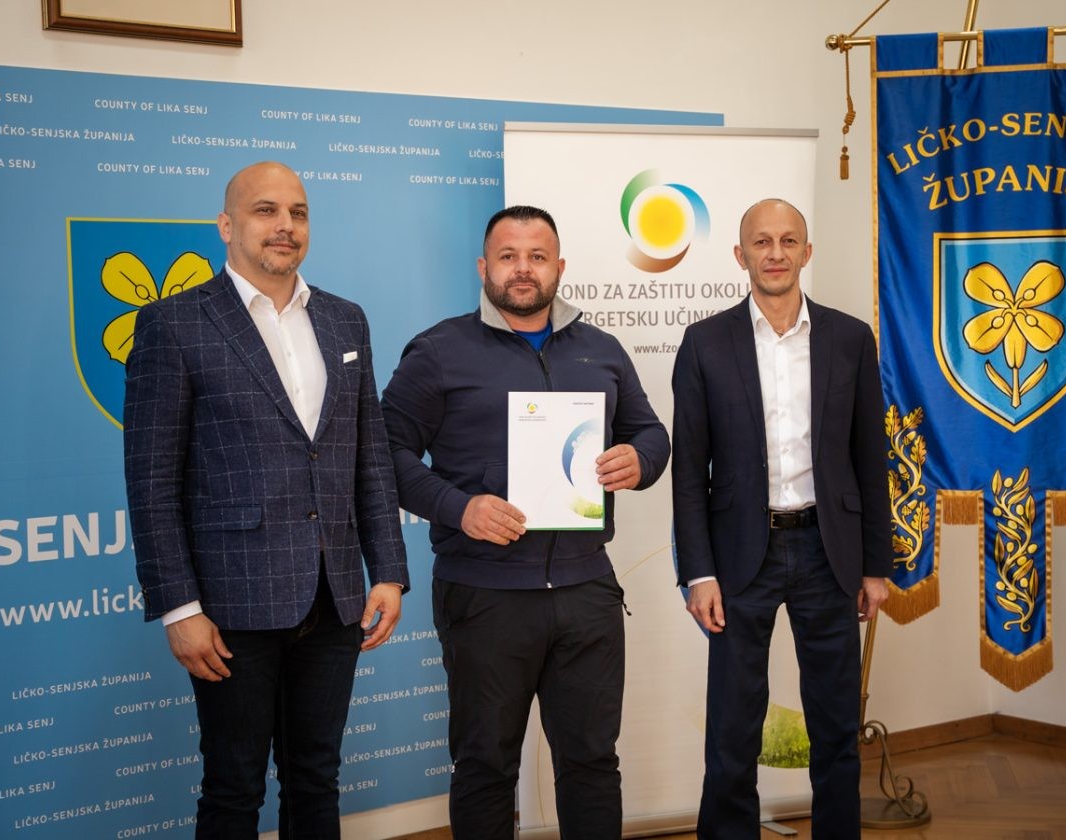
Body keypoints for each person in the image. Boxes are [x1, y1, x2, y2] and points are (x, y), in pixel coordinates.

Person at [123, 161, 409, 839]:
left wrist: (389, 570)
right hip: (231, 604)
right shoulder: (174, 324)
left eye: (298, 212)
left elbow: (369, 456)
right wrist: (180, 608)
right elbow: (152, 481)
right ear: (227, 226)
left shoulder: (345, 320)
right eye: (266, 210)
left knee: (317, 777)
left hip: (334, 596)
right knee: (234, 788)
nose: (285, 225)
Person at [381, 205, 669, 839]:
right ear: (483, 266)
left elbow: (651, 432)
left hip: (586, 591)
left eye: (537, 257)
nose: (522, 269)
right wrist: (459, 508)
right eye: (508, 256)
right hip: (484, 595)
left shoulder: (601, 350)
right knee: (485, 767)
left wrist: (640, 459)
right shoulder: (438, 351)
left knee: (592, 762)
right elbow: (385, 454)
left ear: (558, 267)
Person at [671, 199, 891, 839]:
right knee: (733, 729)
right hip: (741, 557)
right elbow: (689, 471)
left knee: (837, 725)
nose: (775, 253)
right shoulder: (705, 343)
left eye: (788, 240)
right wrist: (698, 574)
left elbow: (870, 459)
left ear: (806, 252)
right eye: (762, 242)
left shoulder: (850, 338)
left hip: (829, 551)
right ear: (740, 255)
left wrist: (875, 566)